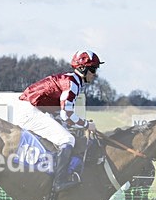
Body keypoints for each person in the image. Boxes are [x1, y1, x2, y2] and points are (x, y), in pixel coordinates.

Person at [14, 50, 102, 192]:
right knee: (67, 139)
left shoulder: (74, 81)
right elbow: (66, 115)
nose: (95, 73)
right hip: (30, 110)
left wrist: (80, 125)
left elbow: (62, 115)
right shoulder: (72, 83)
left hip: (33, 108)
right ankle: (58, 182)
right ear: (82, 68)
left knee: (66, 135)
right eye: (92, 69)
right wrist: (86, 125)